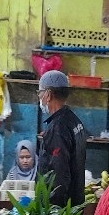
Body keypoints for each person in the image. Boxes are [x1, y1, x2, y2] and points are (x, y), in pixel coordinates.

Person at [37, 70, 88, 207]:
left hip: (61, 209)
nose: (39, 97)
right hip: (75, 201)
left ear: (48, 94)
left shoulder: (57, 128)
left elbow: (58, 175)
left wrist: (54, 212)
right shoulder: (74, 120)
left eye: (40, 93)